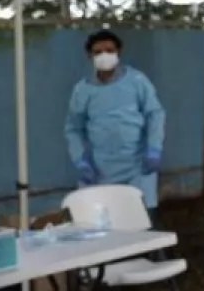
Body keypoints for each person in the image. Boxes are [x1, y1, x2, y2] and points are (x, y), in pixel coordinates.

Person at [65, 30, 166, 212]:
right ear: (89, 56)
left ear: (118, 52)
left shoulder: (137, 81)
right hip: (100, 170)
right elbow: (73, 128)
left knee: (141, 223)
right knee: (102, 226)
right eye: (98, 52)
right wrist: (80, 160)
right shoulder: (83, 90)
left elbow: (155, 114)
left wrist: (154, 148)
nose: (104, 55)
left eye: (109, 50)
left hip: (137, 167)